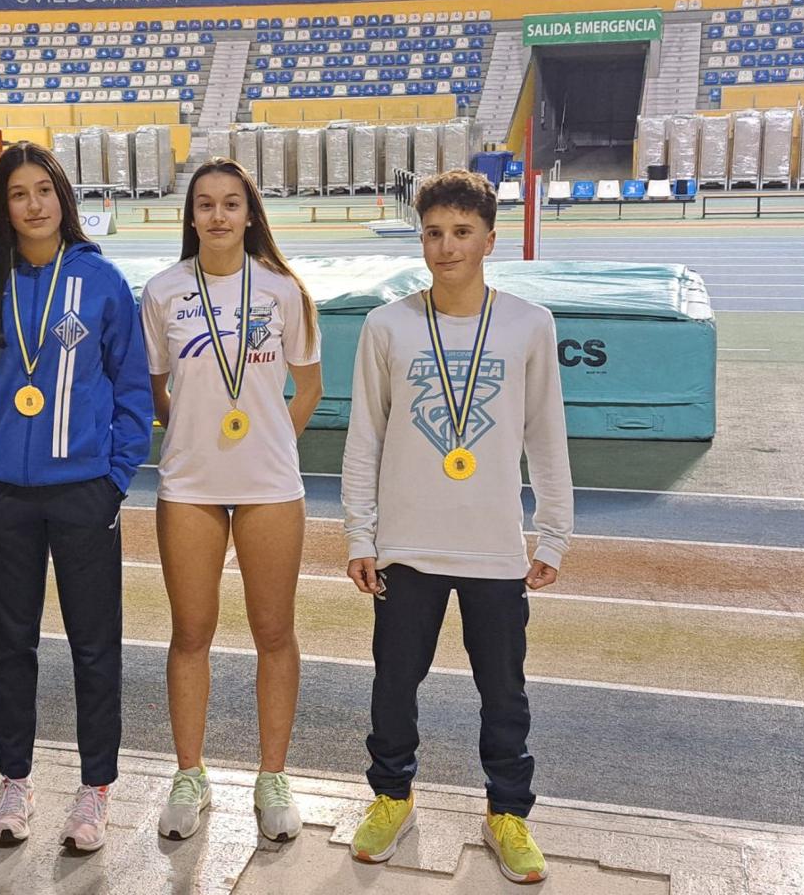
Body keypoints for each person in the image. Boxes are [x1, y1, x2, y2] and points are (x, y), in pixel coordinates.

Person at [341, 169, 573, 883]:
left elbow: (546, 435)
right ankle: (392, 797)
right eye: (434, 233)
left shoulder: (528, 324)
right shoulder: (387, 326)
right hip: (407, 545)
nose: (446, 247)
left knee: (503, 692)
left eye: (462, 233)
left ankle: (507, 812)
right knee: (393, 685)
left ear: (489, 241)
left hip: (494, 546)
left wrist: (554, 532)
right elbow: (365, 437)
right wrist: (359, 535)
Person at [0, 141, 152, 853]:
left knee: (95, 648)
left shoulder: (102, 283)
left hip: (83, 494)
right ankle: (15, 780)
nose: (34, 204)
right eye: (18, 193)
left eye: (44, 190)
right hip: (2, 496)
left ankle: (95, 787)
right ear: (3, 207)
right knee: (9, 646)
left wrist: (114, 478)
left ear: (63, 197)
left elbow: (132, 388)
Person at [140, 157, 323, 843]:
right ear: (190, 217)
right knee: (191, 634)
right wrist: (195, 436)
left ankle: (273, 778)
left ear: (249, 215)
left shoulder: (282, 290)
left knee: (274, 633)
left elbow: (308, 387)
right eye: (205, 204)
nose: (218, 215)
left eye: (231, 203)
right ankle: (190, 774)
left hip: (269, 486)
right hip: (189, 485)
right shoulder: (163, 292)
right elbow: (157, 390)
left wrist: (270, 441)